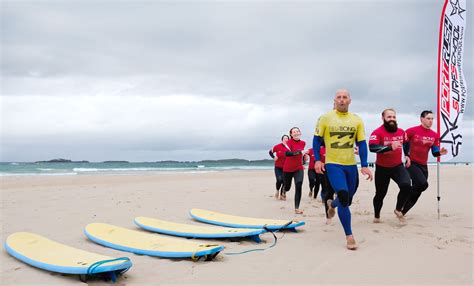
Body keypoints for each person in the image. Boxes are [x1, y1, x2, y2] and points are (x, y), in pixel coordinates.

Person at [313, 89, 373, 250]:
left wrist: (365, 165)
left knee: (348, 199)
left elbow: (361, 143)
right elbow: (317, 140)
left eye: (344, 97)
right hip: (333, 164)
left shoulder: (357, 120)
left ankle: (332, 205)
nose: (341, 100)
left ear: (349, 100)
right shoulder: (325, 118)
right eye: (338, 97)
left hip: (351, 166)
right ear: (334, 100)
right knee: (344, 196)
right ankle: (349, 236)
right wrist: (318, 160)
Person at [400, 110, 447, 217]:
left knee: (419, 191)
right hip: (411, 163)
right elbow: (404, 142)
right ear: (422, 119)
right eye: (428, 118)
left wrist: (440, 152)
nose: (431, 121)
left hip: (423, 166)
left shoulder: (434, 135)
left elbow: (435, 153)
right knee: (423, 184)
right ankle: (404, 198)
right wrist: (406, 155)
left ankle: (402, 212)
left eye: (432, 119)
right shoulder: (412, 131)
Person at [369, 108, 411, 223]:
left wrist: (407, 155)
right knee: (380, 194)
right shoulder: (377, 132)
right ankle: (377, 216)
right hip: (382, 168)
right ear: (383, 118)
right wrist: (389, 147)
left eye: (393, 117)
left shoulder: (401, 132)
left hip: (397, 166)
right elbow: (372, 147)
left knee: (407, 185)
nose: (392, 119)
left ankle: (398, 209)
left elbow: (407, 143)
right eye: (389, 117)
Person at [282, 127, 306, 214]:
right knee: (287, 187)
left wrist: (304, 159)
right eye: (294, 132)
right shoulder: (288, 142)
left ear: (300, 133)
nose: (296, 133)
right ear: (291, 135)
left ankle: (297, 208)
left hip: (298, 168)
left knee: (298, 185)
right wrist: (298, 152)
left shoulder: (303, 143)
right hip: (288, 169)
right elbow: (287, 154)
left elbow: (301, 155)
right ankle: (284, 189)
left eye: (298, 131)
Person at [269, 135, 290, 199]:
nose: (286, 139)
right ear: (282, 140)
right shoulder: (277, 146)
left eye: (287, 138)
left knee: (285, 181)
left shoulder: (290, 148)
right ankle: (277, 190)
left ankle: (282, 194)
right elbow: (270, 152)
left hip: (286, 167)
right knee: (279, 180)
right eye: (284, 138)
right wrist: (274, 157)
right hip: (278, 167)